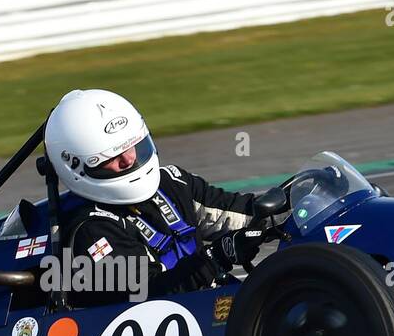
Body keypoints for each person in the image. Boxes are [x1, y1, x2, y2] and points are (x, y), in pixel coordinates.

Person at [44, 88, 265, 301]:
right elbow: (151, 295)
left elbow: (245, 213)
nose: (129, 158)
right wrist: (215, 259)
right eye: (111, 156)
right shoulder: (92, 231)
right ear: (76, 166)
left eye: (132, 145)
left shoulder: (172, 182)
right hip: (180, 315)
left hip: (219, 304)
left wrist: (280, 208)